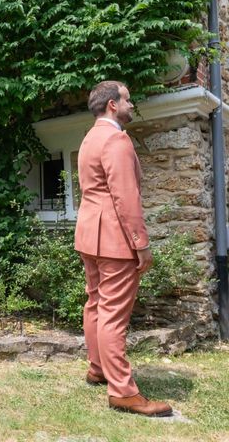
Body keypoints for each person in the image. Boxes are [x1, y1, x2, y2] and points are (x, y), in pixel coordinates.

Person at [74, 81, 173, 417]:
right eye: (129, 100)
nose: (133, 105)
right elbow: (125, 198)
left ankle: (98, 368)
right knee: (113, 314)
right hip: (115, 239)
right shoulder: (116, 138)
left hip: (90, 235)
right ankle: (123, 392)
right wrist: (141, 244)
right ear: (113, 105)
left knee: (96, 304)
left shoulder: (89, 138)